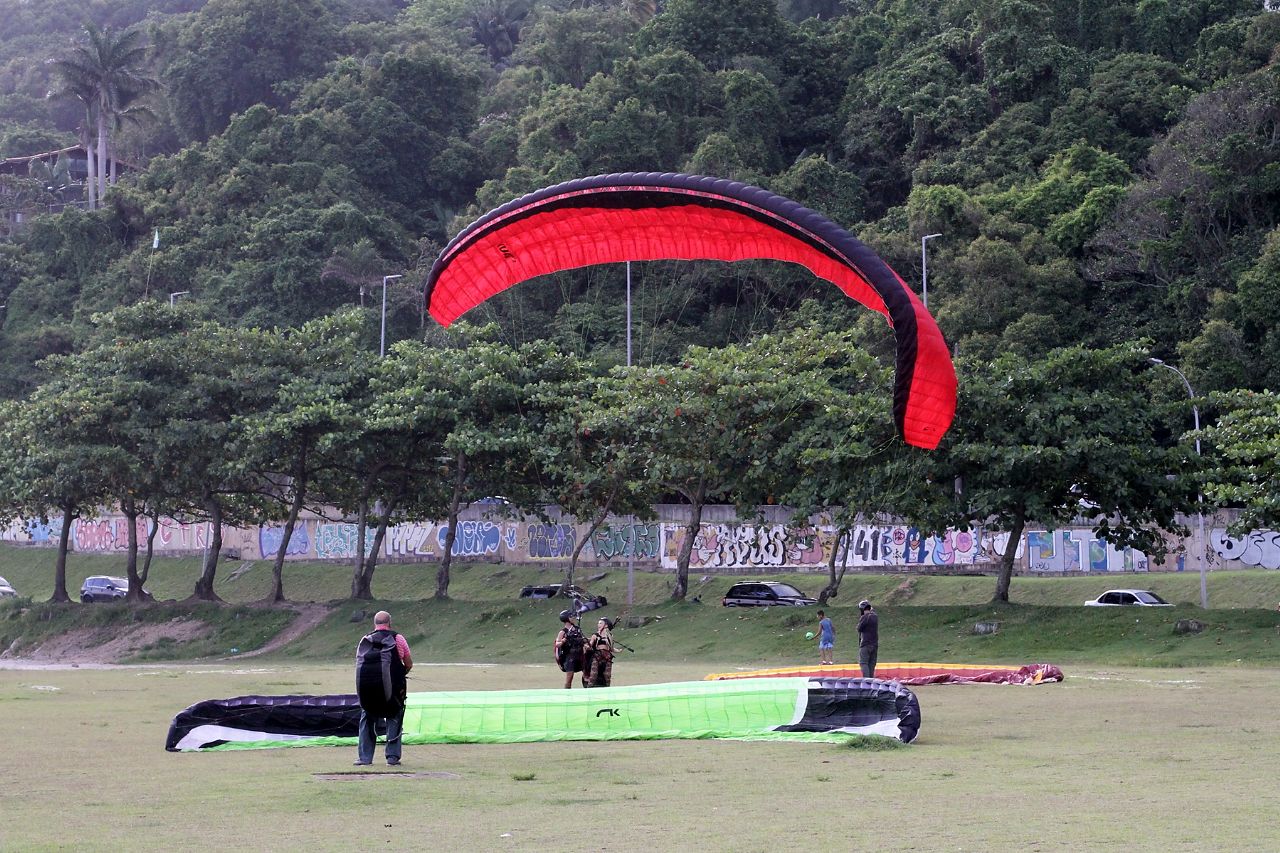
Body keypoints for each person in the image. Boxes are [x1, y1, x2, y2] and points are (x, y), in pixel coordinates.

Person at [354, 610, 413, 766]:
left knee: (367, 719)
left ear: (375, 624)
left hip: (368, 693)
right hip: (393, 693)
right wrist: (400, 675)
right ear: (390, 622)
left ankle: (364, 758)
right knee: (395, 718)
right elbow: (408, 663)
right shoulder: (398, 639)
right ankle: (392, 758)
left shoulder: (365, 640)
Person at [554, 609, 586, 688]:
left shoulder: (578, 629)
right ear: (566, 619)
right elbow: (557, 644)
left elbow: (583, 639)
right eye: (571, 616)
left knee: (587, 673)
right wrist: (563, 641)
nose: (573, 618)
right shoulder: (563, 632)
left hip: (580, 655)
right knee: (569, 677)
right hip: (570, 656)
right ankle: (567, 692)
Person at [583, 617, 616, 688]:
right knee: (593, 674)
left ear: (606, 625)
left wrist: (618, 650)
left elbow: (611, 648)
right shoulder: (595, 635)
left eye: (600, 623)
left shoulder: (610, 636)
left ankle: (607, 689)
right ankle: (589, 688)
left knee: (607, 675)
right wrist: (587, 646)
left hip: (607, 656)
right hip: (598, 656)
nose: (598, 624)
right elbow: (590, 644)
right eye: (598, 623)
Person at [857, 599, 878, 678]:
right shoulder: (875, 617)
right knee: (871, 663)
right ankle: (871, 680)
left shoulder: (864, 617)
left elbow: (859, 628)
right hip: (874, 643)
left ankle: (867, 681)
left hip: (865, 643)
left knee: (863, 663)